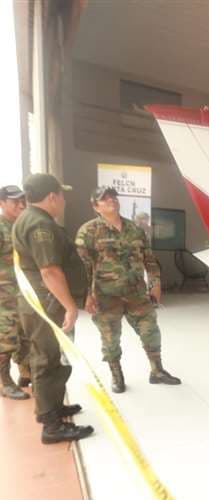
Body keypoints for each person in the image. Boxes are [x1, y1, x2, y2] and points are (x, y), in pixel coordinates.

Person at [12, 174, 93, 444]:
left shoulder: (31, 219)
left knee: (54, 358)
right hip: (47, 305)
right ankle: (51, 425)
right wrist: (70, 306)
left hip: (44, 304)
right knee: (48, 359)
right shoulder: (39, 224)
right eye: (61, 194)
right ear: (52, 197)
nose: (64, 200)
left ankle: (54, 409)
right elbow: (49, 270)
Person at [76, 186, 180, 393]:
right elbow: (82, 268)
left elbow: (149, 259)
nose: (111, 201)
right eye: (104, 199)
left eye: (113, 197)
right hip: (106, 296)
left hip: (137, 294)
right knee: (110, 339)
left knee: (151, 331)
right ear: (95, 206)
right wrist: (87, 296)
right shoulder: (88, 231)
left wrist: (155, 283)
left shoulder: (135, 229)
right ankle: (117, 375)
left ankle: (157, 371)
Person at [0, 185, 31, 400]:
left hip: (25, 294)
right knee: (6, 339)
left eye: (23, 200)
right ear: (2, 204)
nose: (21, 204)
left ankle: (25, 373)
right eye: (15, 201)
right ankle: (5, 381)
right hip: (4, 296)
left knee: (25, 336)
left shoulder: (23, 226)